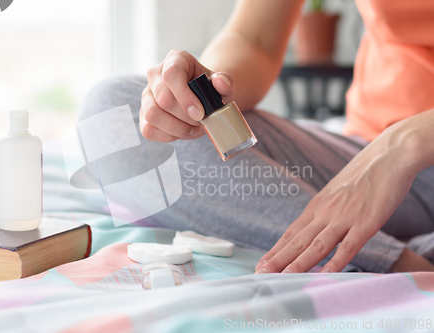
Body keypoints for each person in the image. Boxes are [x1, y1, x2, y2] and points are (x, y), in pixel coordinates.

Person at [78, 0, 434, 273]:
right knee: (112, 114)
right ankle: (405, 260)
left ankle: (384, 257)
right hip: (364, 154)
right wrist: (204, 93)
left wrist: (402, 146)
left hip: (403, 150)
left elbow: (399, 148)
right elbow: (255, 39)